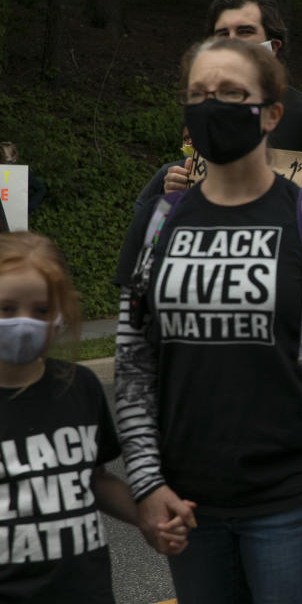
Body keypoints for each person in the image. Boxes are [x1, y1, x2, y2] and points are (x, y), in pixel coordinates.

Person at [113, 37, 302, 603]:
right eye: (199, 94)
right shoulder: (156, 222)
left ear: (272, 113)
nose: (213, 106)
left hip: (295, 503)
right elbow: (134, 367)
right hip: (190, 504)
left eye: (232, 93)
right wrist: (147, 482)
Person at [0, 232, 189, 603]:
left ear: (61, 313)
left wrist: (149, 514)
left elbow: (96, 478)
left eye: (40, 310)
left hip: (85, 593)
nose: (25, 323)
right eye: (7, 308)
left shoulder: (79, 387)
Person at [154, 0, 302, 231]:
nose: (233, 41)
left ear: (274, 46)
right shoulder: (204, 114)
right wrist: (178, 191)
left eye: (245, 31)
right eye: (222, 34)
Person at [133, 125, 192, 215]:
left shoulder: (218, 173)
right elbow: (140, 205)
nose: (190, 142)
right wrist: (169, 200)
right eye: (186, 138)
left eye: (197, 136)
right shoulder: (169, 172)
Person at [1, 141, 47, 214]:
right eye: (1, 158)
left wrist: (29, 207)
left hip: (15, 218)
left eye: (6, 157)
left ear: (14, 159)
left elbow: (41, 189)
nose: (3, 161)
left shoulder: (21, 175)